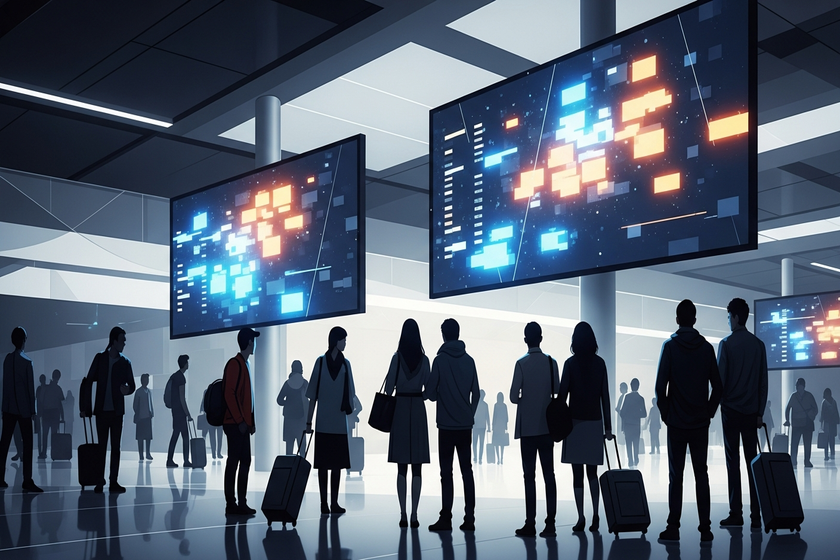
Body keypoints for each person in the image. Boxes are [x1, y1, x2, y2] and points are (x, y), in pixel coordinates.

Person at [655, 299, 722, 543]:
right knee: (701, 474)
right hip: (699, 423)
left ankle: (673, 527)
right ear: (694, 320)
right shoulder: (706, 348)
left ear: (677, 319)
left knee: (676, 476)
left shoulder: (670, 347)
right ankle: (705, 527)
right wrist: (709, 412)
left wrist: (666, 415)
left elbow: (660, 387)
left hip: (676, 423)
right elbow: (718, 387)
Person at [717, 297, 768, 529]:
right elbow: (762, 383)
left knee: (733, 463)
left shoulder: (726, 345)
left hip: (730, 412)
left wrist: (713, 406)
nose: (728, 321)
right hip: (750, 414)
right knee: (752, 463)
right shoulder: (758, 346)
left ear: (736, 317)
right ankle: (756, 515)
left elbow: (720, 382)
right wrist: (759, 412)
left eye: (729, 316)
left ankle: (735, 513)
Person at [425, 318, 480, 532]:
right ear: (458, 334)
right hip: (465, 426)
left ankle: (446, 518)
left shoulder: (439, 361)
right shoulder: (470, 360)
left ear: (443, 335)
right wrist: (469, 413)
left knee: (446, 473)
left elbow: (430, 394)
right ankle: (469, 518)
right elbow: (476, 393)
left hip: (446, 427)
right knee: (467, 471)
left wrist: (439, 393)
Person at [558, 321, 613, 534]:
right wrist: (607, 427)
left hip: (574, 424)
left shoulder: (570, 364)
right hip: (594, 423)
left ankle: (580, 516)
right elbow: (605, 398)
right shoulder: (600, 364)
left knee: (577, 475)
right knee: (593, 473)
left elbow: (562, 396)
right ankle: (596, 514)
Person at [509, 321, 560, 538]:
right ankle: (550, 524)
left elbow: (513, 396)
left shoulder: (521, 364)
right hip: (547, 427)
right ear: (541, 338)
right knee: (549, 474)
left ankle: (530, 523)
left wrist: (524, 398)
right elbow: (557, 389)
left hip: (528, 430)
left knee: (529, 475)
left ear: (525, 340)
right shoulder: (551, 362)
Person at [383, 318, 431, 528]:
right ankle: (414, 514)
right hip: (418, 410)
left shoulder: (397, 358)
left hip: (400, 410)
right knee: (418, 467)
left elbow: (388, 389)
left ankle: (402, 513)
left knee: (401, 467)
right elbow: (429, 391)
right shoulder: (425, 359)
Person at [305, 326, 357, 515]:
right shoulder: (343, 365)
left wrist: (310, 422)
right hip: (333, 423)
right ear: (336, 340)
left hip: (327, 423)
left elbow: (312, 397)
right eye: (343, 339)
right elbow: (351, 394)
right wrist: (308, 423)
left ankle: (328, 503)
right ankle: (328, 503)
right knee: (331, 466)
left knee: (329, 466)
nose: (345, 343)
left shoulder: (324, 363)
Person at [84, 326, 136, 493]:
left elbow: (132, 385)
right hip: (101, 412)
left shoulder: (125, 362)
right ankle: (100, 480)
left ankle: (113, 481)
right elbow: (88, 381)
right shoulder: (100, 359)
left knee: (115, 448)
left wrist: (127, 390)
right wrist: (86, 407)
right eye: (122, 340)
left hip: (116, 413)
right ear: (114, 341)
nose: (124, 344)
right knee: (101, 448)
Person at [0, 326, 43, 492]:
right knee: (28, 444)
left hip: (9, 408)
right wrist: (33, 411)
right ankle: (27, 479)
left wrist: (4, 407)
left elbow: (5, 386)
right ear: (23, 340)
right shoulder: (26, 362)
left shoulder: (7, 360)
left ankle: (0, 477)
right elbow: (29, 389)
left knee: (4, 444)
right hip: (24, 410)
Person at [223, 328, 259, 516]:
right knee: (234, 462)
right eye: (253, 340)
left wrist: (250, 421)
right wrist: (240, 421)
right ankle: (231, 504)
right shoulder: (235, 364)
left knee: (244, 461)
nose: (255, 344)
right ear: (248, 343)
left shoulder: (246, 364)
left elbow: (248, 398)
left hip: (243, 424)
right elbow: (229, 394)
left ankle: (241, 503)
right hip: (235, 424)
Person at [276, 360, 309, 456]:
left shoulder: (287, 384)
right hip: (301, 421)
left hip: (289, 421)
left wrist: (288, 403)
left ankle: (289, 470)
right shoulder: (304, 384)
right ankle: (302, 470)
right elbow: (308, 402)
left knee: (289, 450)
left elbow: (279, 400)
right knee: (302, 450)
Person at [784, 378, 818, 468]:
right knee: (796, 443)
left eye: (798, 385)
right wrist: (787, 420)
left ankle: (805, 461)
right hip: (798, 424)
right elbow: (787, 409)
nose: (798, 387)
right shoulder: (796, 396)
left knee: (805, 443)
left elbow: (815, 409)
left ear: (802, 386)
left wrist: (787, 420)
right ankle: (796, 460)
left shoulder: (798, 396)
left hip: (804, 423)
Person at [167, 355, 192, 468]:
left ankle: (170, 459)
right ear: (185, 364)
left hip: (174, 411)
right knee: (185, 437)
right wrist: (188, 414)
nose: (188, 364)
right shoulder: (181, 378)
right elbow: (182, 398)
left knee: (175, 435)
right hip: (180, 413)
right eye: (187, 362)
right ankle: (186, 461)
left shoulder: (174, 376)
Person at [620, 378, 646, 467]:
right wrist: (637, 414)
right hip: (636, 425)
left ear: (631, 386)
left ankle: (630, 460)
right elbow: (644, 414)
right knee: (636, 443)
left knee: (628, 443)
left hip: (628, 425)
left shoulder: (627, 397)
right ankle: (636, 459)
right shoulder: (641, 399)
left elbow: (622, 412)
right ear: (638, 386)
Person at [40, 369, 65, 459]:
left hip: (46, 413)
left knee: (45, 434)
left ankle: (43, 453)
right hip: (55, 413)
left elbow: (42, 401)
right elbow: (60, 403)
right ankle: (54, 453)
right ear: (59, 377)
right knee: (54, 435)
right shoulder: (58, 389)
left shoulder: (46, 388)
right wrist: (62, 416)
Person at [133, 373, 154, 461]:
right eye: (145, 379)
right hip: (141, 417)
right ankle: (141, 454)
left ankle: (148, 453)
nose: (147, 381)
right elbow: (135, 405)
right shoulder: (138, 392)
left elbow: (151, 403)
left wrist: (152, 412)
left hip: (148, 417)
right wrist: (138, 413)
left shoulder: (149, 391)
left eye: (148, 380)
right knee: (140, 437)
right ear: (142, 381)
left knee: (148, 437)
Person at [200, 390, 223, 460]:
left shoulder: (207, 392)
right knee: (219, 436)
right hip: (220, 418)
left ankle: (214, 453)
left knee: (212, 436)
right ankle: (218, 453)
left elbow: (203, 403)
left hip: (211, 418)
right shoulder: (221, 392)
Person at [820, 388, 838, 460]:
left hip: (827, 423)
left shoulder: (824, 402)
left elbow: (822, 413)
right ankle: (831, 453)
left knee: (827, 439)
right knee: (830, 439)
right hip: (831, 423)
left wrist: (821, 423)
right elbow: (836, 412)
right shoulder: (833, 402)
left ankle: (827, 454)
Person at [472, 390, 490, 464]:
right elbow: (487, 416)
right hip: (482, 427)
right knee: (481, 443)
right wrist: (489, 427)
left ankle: (475, 457)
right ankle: (480, 458)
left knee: (474, 443)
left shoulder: (474, 404)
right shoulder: (485, 405)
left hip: (475, 426)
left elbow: (471, 415)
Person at [492, 392, 509, 464]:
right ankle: (501, 457)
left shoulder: (496, 405)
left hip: (496, 427)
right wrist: (506, 425)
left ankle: (498, 458)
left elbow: (494, 416)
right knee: (502, 443)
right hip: (502, 427)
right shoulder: (504, 406)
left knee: (496, 443)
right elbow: (506, 417)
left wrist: (492, 426)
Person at [34, 374, 46, 459]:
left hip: (39, 413)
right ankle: (42, 452)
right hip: (44, 413)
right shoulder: (46, 388)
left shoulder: (39, 389)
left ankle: (41, 452)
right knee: (43, 433)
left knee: (40, 434)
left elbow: (36, 400)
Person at [615, 382, 627, 446]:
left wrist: (618, 410)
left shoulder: (625, 396)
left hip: (623, 418)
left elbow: (623, 409)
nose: (620, 389)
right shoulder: (622, 397)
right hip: (621, 417)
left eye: (621, 387)